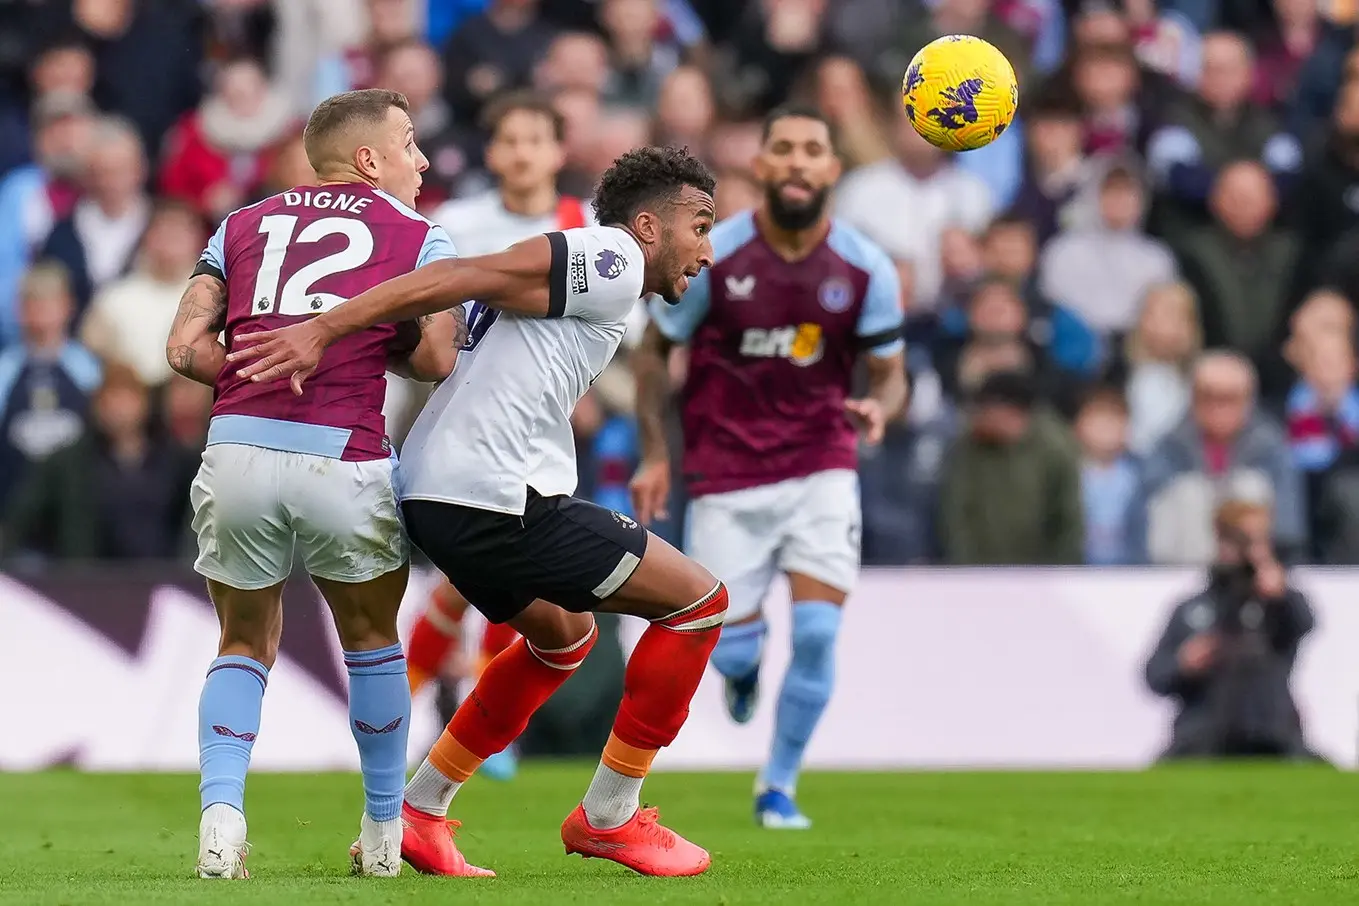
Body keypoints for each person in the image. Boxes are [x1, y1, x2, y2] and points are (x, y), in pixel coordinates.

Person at [226, 146, 726, 879]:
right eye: (700, 226)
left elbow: (454, 303)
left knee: (563, 639)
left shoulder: (586, 276)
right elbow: (452, 278)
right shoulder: (613, 257)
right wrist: (323, 329)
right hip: (494, 498)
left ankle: (422, 813)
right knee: (700, 604)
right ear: (647, 226)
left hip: (445, 494)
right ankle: (611, 815)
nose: (706, 252)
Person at [164, 88, 462, 880]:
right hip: (345, 455)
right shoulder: (421, 237)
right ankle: (383, 832)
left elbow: (183, 348)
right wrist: (362, 344)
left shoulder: (238, 225)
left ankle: (221, 824)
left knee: (240, 641)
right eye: (409, 143)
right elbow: (436, 359)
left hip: (237, 450)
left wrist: (256, 366)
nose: (422, 160)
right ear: (369, 159)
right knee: (371, 643)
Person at [629, 106, 908, 829]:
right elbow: (655, 352)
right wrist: (657, 452)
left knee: (816, 634)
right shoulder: (716, 255)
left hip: (821, 464)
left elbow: (890, 369)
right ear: (759, 165)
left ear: (830, 170)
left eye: (811, 149)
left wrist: (879, 405)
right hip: (726, 475)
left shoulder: (864, 265)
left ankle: (777, 785)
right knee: (727, 653)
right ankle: (742, 668)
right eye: (781, 148)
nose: (795, 161)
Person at [406, 91, 597, 783]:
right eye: (508, 140)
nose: (520, 152)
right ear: (491, 152)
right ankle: (420, 710)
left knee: (488, 582)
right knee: (477, 578)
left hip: (542, 427)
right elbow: (427, 314)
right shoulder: (457, 223)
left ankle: (454, 715)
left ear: (557, 152)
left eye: (533, 140)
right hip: (462, 419)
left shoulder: (583, 228)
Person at [1144, 499, 1317, 759]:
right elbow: (1155, 674)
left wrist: (1280, 594)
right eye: (1244, 540)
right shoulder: (1195, 609)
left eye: (1260, 540)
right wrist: (1185, 664)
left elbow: (1304, 625)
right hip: (1203, 732)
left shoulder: (1277, 604)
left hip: (1271, 730)